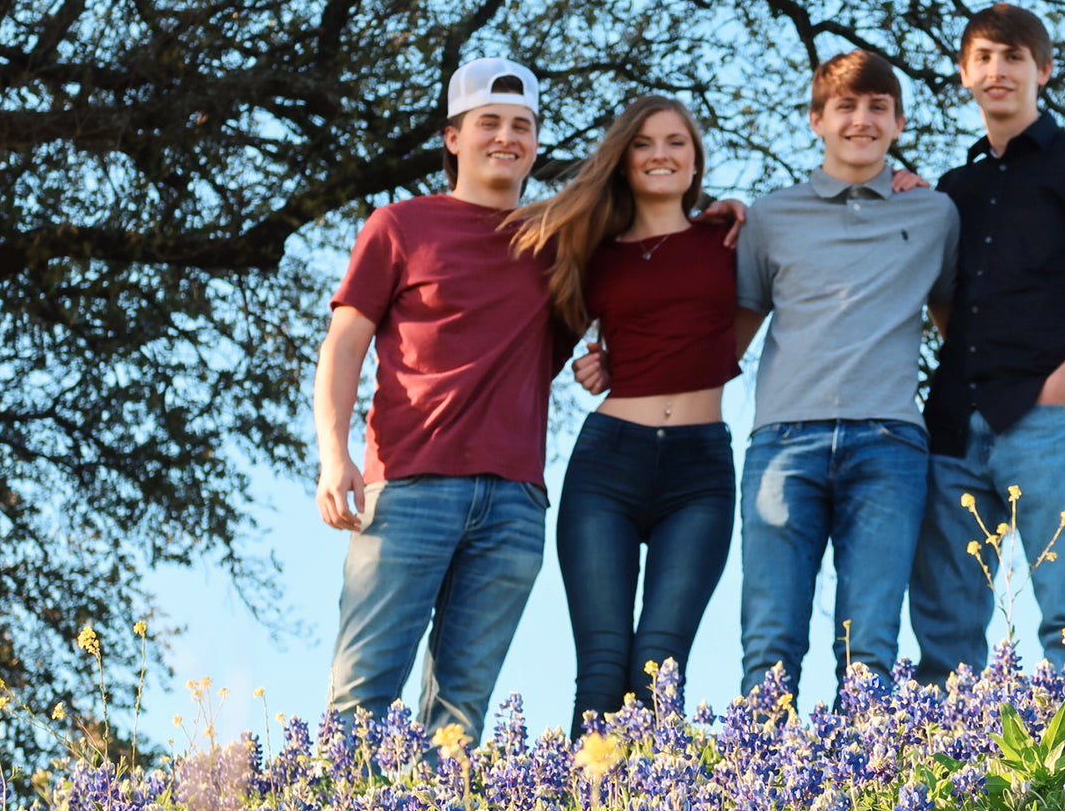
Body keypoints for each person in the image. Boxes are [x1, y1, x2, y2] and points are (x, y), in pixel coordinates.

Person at [313, 56, 570, 743]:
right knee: (362, 694)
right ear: (453, 137)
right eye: (488, 122)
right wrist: (333, 456)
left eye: (522, 125)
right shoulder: (398, 226)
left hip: (515, 503)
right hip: (408, 491)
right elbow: (343, 344)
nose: (506, 138)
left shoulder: (557, 239)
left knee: (459, 715)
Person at [910, 3, 1065, 679]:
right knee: (943, 638)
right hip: (952, 428)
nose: (997, 70)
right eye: (983, 58)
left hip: (1045, 423)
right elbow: (942, 297)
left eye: (1013, 57)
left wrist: (1059, 387)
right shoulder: (952, 189)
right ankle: (945, 777)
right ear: (963, 73)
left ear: (1042, 70)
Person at [734, 50, 960, 702]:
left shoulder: (933, 214)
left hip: (888, 445)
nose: (861, 120)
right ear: (815, 120)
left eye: (877, 108)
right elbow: (732, 332)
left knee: (870, 647)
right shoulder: (769, 216)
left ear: (898, 123)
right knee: (770, 641)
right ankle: (762, 795)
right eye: (845, 107)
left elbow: (956, 326)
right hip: (782, 443)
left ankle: (865, 793)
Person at [511, 96, 741, 737]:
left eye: (676, 142)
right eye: (644, 144)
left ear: (696, 161)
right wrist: (598, 363)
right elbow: (536, 340)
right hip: (609, 464)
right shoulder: (591, 251)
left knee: (660, 669)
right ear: (622, 160)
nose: (661, 155)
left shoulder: (729, 237)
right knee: (603, 669)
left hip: (700, 471)